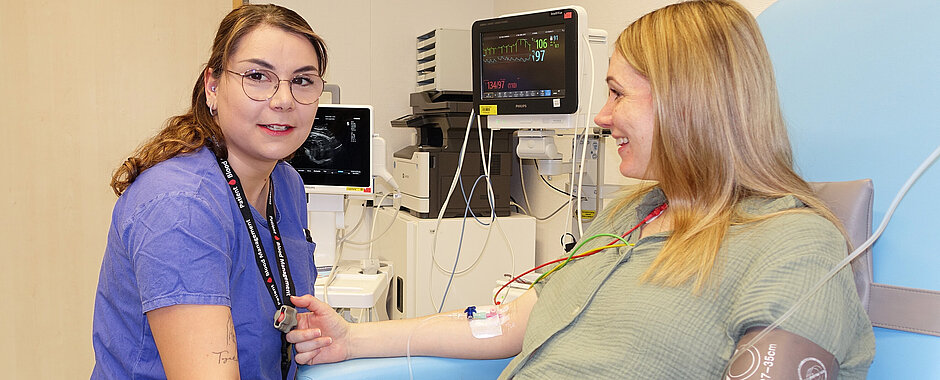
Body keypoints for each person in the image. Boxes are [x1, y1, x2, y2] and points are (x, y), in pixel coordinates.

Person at [285, 1, 876, 378]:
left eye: (618, 93)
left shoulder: (791, 245)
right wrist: (353, 340)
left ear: (685, 99)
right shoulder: (631, 215)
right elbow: (517, 321)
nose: (600, 115)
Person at [91, 4, 328, 379]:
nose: (283, 100)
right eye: (258, 76)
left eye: (302, 81)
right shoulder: (180, 208)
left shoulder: (286, 185)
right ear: (212, 86)